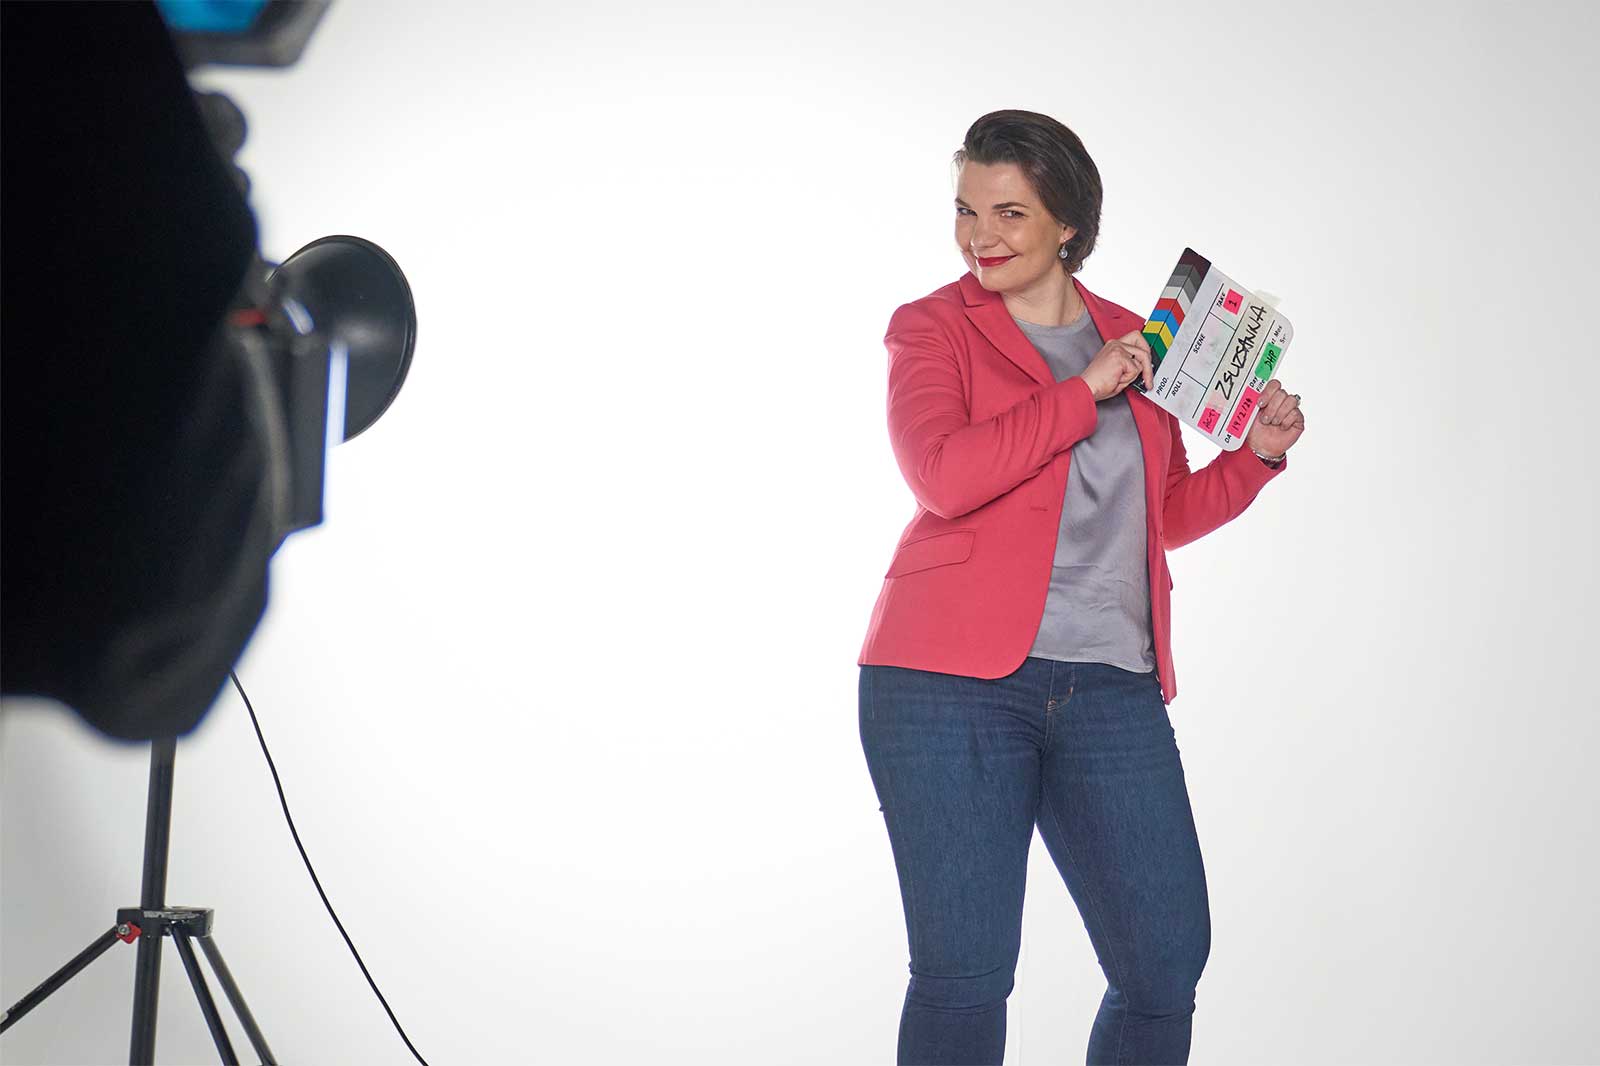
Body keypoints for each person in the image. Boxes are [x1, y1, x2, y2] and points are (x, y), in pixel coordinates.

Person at [856, 109, 1305, 1066]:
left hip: (1110, 682)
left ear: (1068, 223)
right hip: (946, 682)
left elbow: (1165, 510)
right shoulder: (932, 328)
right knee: (966, 974)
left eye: (1009, 213)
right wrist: (1081, 393)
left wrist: (1255, 458)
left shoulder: (1139, 339)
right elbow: (943, 474)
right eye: (966, 211)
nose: (980, 237)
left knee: (1164, 966)